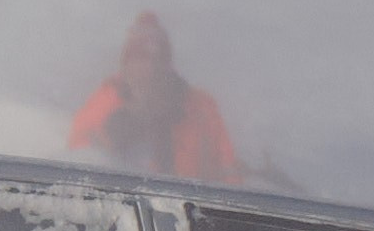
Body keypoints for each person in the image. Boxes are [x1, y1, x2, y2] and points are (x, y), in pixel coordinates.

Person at [66, 12, 242, 184]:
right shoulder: (106, 101)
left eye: (158, 59)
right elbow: (79, 160)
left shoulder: (200, 106)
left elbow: (229, 172)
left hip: (193, 208)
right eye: (141, 57)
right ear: (126, 64)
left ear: (168, 65)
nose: (150, 67)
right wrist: (114, 133)